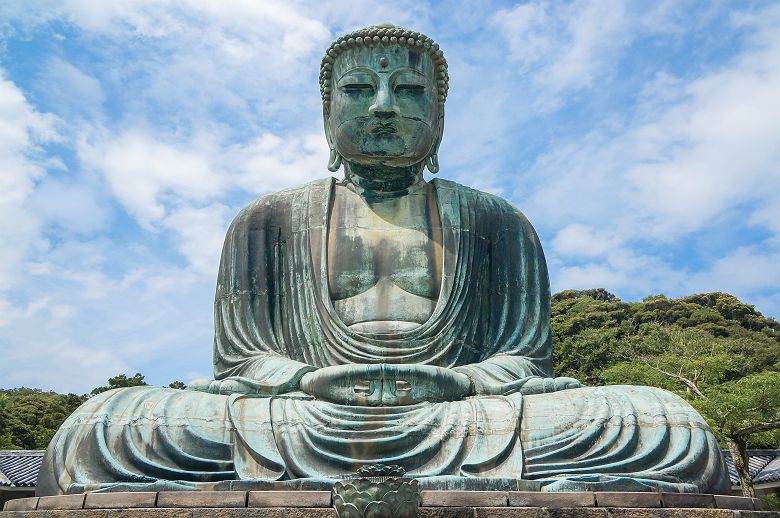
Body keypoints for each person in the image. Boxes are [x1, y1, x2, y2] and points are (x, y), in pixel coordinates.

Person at [36, 24, 730, 496]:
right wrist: (310, 381)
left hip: (466, 420)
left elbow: (523, 361)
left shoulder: (494, 220)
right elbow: (244, 362)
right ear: (326, 112)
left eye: (410, 92)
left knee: (664, 424)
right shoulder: (267, 221)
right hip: (301, 417)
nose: (386, 106)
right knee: (105, 426)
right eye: (360, 90)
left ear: (441, 114)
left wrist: (454, 385)